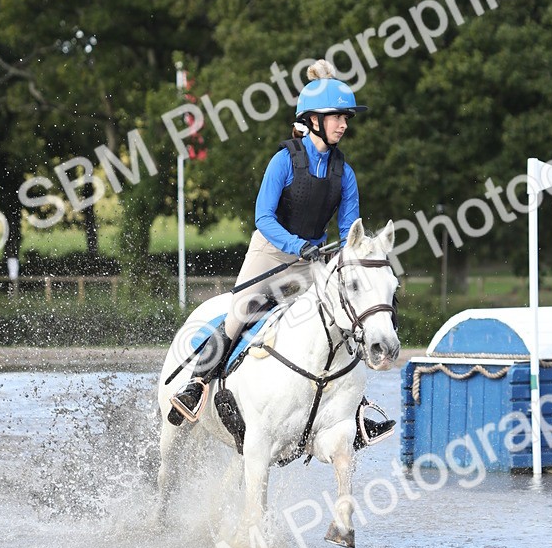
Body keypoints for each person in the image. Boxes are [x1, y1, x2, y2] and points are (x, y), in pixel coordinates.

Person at [167, 59, 396, 447]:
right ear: (314, 120)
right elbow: (263, 217)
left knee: (342, 319)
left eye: (346, 118)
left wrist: (347, 258)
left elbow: (349, 229)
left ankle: (354, 413)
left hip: (313, 261)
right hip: (272, 251)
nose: (344, 124)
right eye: (337, 117)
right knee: (239, 314)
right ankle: (196, 384)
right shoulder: (284, 160)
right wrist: (298, 246)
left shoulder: (346, 172)